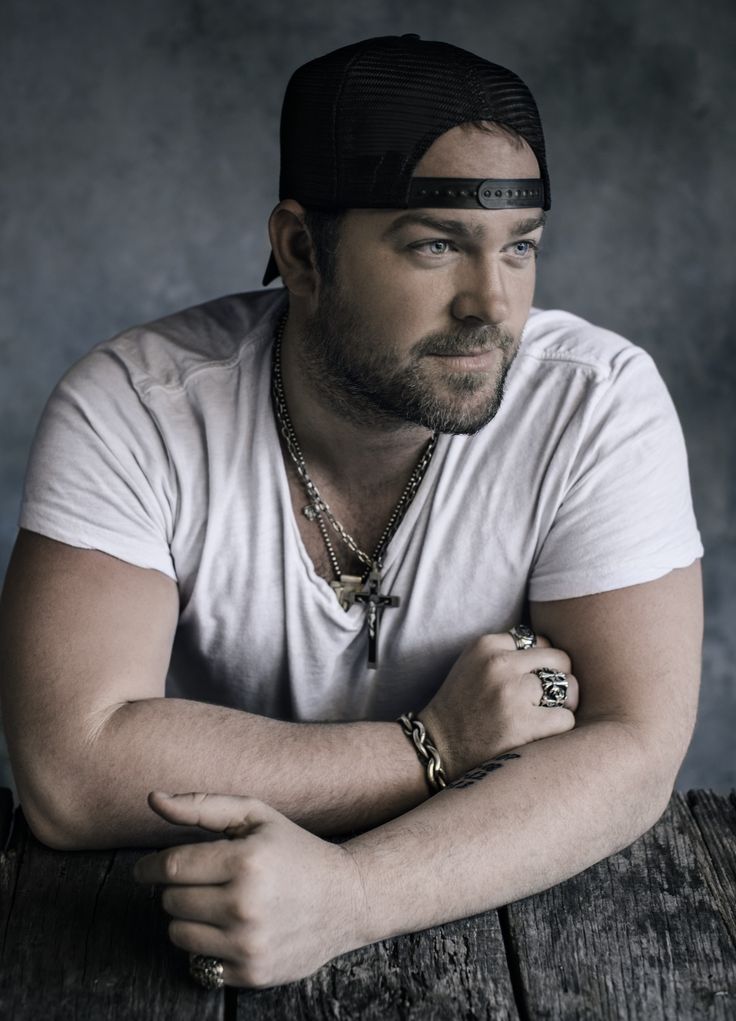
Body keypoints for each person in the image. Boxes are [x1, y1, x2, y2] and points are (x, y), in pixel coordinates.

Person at [0, 34, 702, 990]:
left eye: (521, 247)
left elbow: (633, 752)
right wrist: (435, 746)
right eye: (434, 244)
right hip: (148, 942)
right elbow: (71, 774)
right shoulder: (137, 408)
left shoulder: (597, 402)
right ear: (301, 250)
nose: (490, 305)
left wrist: (351, 898)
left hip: (514, 951)